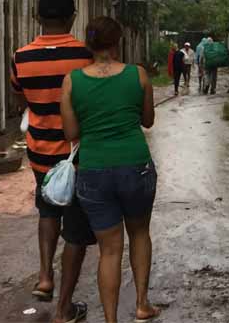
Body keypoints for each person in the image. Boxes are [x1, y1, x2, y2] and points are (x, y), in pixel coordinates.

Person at [60, 16, 160, 323]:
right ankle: (142, 304)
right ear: (118, 42)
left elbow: (70, 132)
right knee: (140, 233)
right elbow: (148, 120)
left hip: (93, 170)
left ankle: (110, 320)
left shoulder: (72, 81)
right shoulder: (138, 75)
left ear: (89, 44)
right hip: (135, 165)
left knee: (109, 250)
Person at [10, 0, 94, 323]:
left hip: (40, 151)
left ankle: (45, 276)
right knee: (76, 228)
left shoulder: (21, 57)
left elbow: (21, 102)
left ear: (37, 17)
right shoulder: (86, 56)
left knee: (47, 210)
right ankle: (66, 307)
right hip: (78, 154)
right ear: (72, 17)